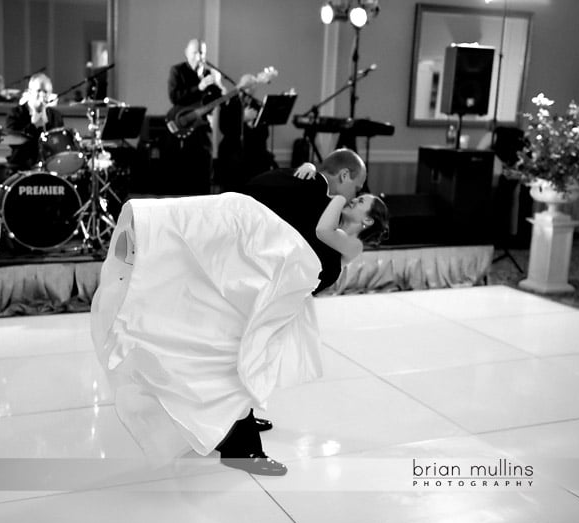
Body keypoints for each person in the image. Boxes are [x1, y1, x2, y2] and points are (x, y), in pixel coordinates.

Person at [90, 181, 388, 478]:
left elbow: (323, 231)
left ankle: (237, 437)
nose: (353, 199)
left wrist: (337, 194)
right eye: (356, 196)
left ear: (367, 220)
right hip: (260, 291)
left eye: (361, 201)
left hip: (271, 302)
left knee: (239, 358)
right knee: (232, 350)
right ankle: (152, 238)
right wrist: (317, 179)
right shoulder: (329, 217)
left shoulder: (352, 244)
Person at [244, 148, 379, 294]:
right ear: (344, 175)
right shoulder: (316, 198)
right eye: (357, 190)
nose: (353, 197)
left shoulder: (296, 179)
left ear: (368, 220)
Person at [165, 38, 223, 195]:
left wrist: (218, 84)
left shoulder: (209, 73)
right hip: (184, 129)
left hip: (203, 129)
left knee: (204, 172)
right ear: (186, 53)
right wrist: (199, 87)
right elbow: (175, 97)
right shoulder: (177, 71)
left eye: (202, 53)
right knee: (184, 176)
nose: (199, 56)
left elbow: (217, 99)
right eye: (195, 52)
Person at [217, 76, 277, 192]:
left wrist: (253, 126)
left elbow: (265, 134)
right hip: (233, 152)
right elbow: (224, 128)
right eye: (246, 88)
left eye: (252, 88)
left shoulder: (257, 105)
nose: (248, 91)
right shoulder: (229, 103)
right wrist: (242, 118)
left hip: (254, 153)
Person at [5, 73, 64, 170]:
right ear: (30, 92)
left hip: (49, 166)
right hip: (21, 166)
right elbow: (13, 143)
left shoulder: (55, 116)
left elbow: (58, 144)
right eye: (38, 91)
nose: (42, 95)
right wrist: (34, 124)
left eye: (45, 92)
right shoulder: (15, 114)